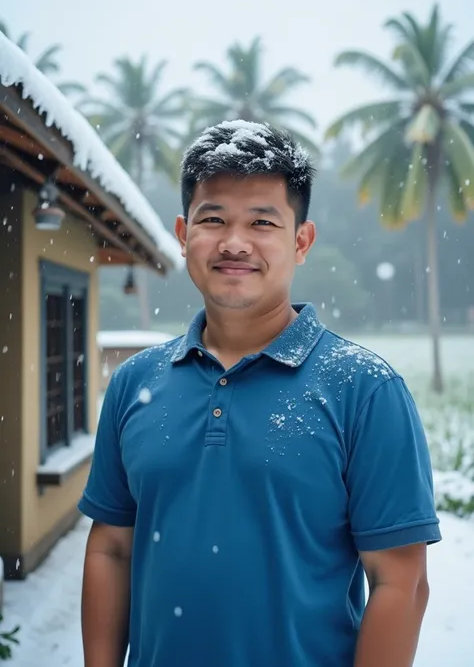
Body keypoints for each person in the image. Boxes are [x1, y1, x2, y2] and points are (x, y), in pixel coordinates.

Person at [79, 119, 441, 667]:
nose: (234, 243)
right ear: (183, 234)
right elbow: (111, 546)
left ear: (301, 241)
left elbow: (400, 580)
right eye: (213, 219)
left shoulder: (364, 389)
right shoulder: (136, 382)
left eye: (262, 221)